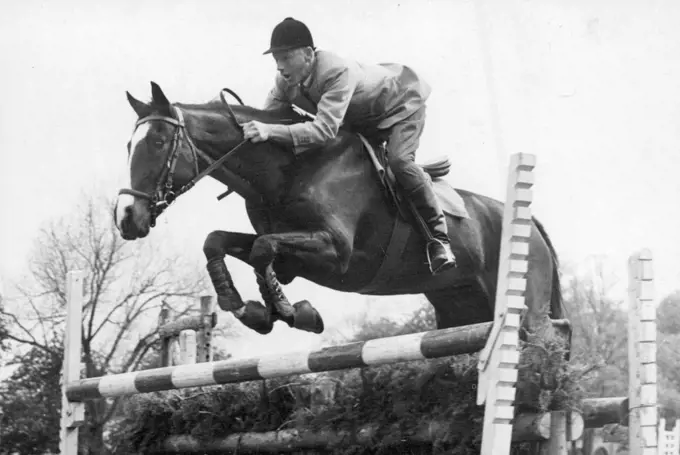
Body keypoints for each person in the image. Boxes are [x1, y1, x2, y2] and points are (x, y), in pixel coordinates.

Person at [241, 17, 455, 275]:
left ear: (308, 54)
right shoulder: (285, 81)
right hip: (361, 121)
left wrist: (269, 131)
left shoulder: (336, 72)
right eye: (276, 59)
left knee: (400, 162)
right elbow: (269, 119)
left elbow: (322, 130)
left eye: (286, 58)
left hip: (401, 107)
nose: (280, 67)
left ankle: (438, 240)